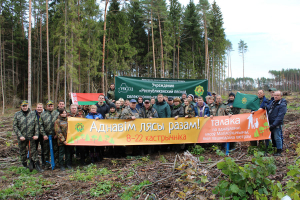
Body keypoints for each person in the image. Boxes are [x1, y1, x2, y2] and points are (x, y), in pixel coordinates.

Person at [13, 100, 43, 172]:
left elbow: (36, 125)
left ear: (28, 106)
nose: (25, 107)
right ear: (21, 106)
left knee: (33, 152)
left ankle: (37, 165)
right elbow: (15, 126)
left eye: (26, 106)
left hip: (31, 137)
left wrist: (36, 134)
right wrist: (20, 136)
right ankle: (24, 166)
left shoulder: (32, 114)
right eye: (23, 106)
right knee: (22, 152)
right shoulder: (17, 114)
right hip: (22, 138)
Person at [262, 91, 287, 156]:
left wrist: (274, 125)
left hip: (276, 124)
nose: (275, 96)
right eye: (275, 95)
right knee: (272, 137)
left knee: (277, 137)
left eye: (277, 95)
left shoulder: (282, 105)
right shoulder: (273, 102)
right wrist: (264, 107)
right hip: (270, 123)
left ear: (281, 96)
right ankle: (274, 148)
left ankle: (279, 150)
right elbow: (268, 108)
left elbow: (280, 117)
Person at [39, 100, 60, 170]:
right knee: (46, 151)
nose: (50, 107)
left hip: (55, 136)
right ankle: (46, 164)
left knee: (56, 150)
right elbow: (40, 125)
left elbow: (59, 124)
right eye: (49, 106)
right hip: (46, 136)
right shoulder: (43, 114)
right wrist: (44, 135)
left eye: (51, 106)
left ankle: (56, 163)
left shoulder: (57, 113)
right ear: (46, 106)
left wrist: (57, 134)